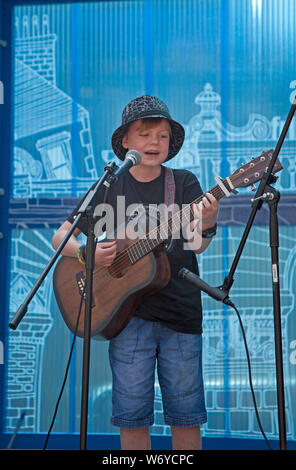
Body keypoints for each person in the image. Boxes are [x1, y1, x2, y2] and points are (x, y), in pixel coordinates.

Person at [51, 95, 219, 450]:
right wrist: (86, 253)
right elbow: (60, 238)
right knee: (131, 417)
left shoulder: (184, 182)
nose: (154, 143)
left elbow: (197, 244)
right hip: (127, 319)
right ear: (125, 141)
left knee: (186, 416)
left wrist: (208, 219)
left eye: (161, 136)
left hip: (181, 316)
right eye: (144, 135)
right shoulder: (109, 186)